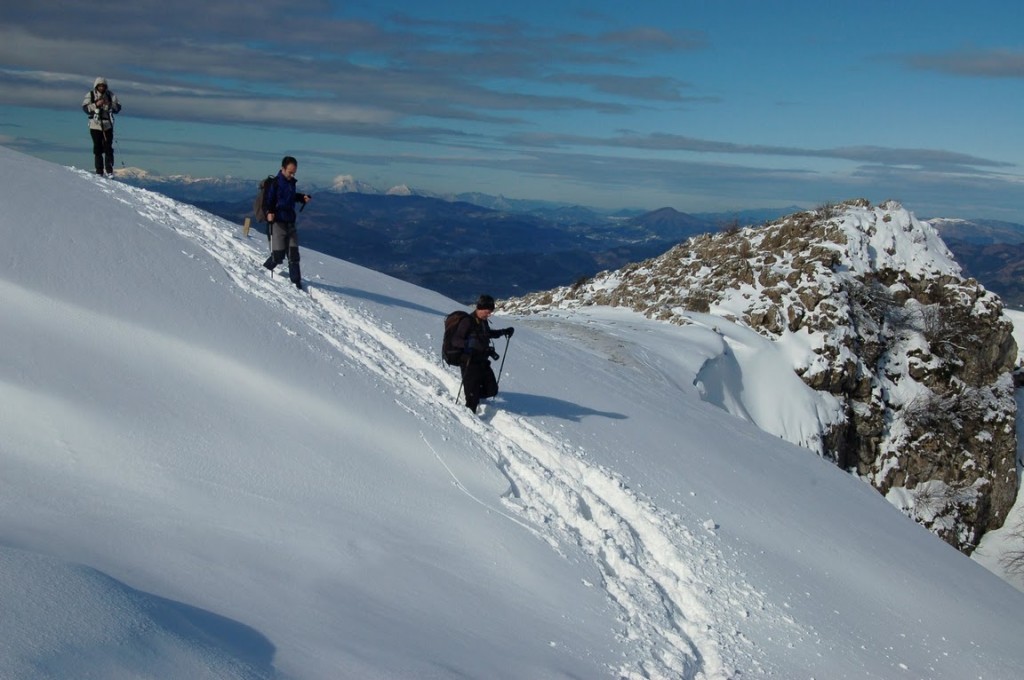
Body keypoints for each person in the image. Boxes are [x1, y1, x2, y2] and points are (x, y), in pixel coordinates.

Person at [451, 294, 514, 413]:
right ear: (480, 308)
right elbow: (455, 340)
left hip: (482, 361)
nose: (489, 314)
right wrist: (470, 344)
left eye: (490, 312)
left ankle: (474, 393)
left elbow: (487, 334)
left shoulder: (483, 321)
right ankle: (469, 418)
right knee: (472, 400)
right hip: (469, 362)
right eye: (487, 311)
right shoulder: (467, 321)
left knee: (492, 390)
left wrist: (503, 332)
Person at [262, 156, 312, 289]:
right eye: (290, 172)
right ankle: (262, 272)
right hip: (277, 223)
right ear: (282, 169)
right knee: (278, 256)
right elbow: (267, 202)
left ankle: (296, 283)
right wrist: (268, 213)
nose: (292, 175)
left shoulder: (291, 183)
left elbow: (290, 198)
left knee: (293, 254)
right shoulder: (274, 184)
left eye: (294, 172)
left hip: (290, 222)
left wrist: (302, 197)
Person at [81, 77, 122, 176]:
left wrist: (110, 105)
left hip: (107, 124)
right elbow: (85, 108)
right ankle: (99, 171)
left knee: (108, 148)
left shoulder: (110, 95)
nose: (101, 87)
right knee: (97, 148)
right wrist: (96, 105)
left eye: (103, 86)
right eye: (100, 86)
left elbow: (118, 107)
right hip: (95, 125)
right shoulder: (90, 95)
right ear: (96, 86)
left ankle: (109, 170)